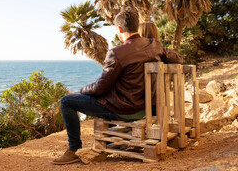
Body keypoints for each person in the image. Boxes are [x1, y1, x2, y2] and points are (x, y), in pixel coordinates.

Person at [52, 9, 182, 165]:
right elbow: (178, 59)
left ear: (119, 29)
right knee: (102, 97)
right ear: (136, 26)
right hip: (146, 108)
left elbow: (100, 88)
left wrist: (83, 90)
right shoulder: (154, 45)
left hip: (125, 110)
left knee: (67, 101)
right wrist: (162, 50)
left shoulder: (117, 52)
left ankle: (73, 149)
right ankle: (109, 141)